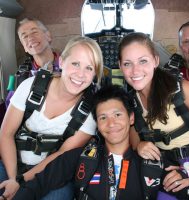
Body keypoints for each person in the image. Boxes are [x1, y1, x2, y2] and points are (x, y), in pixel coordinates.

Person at [0, 36, 103, 200]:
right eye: (75, 63)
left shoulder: (89, 113)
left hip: (51, 173)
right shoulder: (30, 86)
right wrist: (12, 178)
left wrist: (21, 181)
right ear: (62, 62)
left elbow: (61, 155)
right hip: (10, 162)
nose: (80, 74)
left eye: (89, 68)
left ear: (94, 75)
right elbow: (6, 133)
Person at [12, 84, 156, 200]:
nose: (111, 123)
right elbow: (39, 183)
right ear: (97, 125)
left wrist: (178, 178)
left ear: (131, 118)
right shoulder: (79, 157)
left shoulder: (149, 159)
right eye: (103, 118)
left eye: (117, 115)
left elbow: (175, 183)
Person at [118, 32, 189, 199]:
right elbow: (134, 131)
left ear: (155, 60)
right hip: (164, 165)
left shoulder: (181, 89)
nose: (135, 70)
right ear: (120, 66)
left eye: (143, 61)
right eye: (128, 63)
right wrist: (138, 145)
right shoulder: (131, 100)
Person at [5, 17, 60, 108]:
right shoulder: (15, 79)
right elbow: (9, 108)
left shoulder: (70, 66)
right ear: (25, 48)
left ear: (48, 36)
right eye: (25, 36)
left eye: (34, 32)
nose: (30, 38)